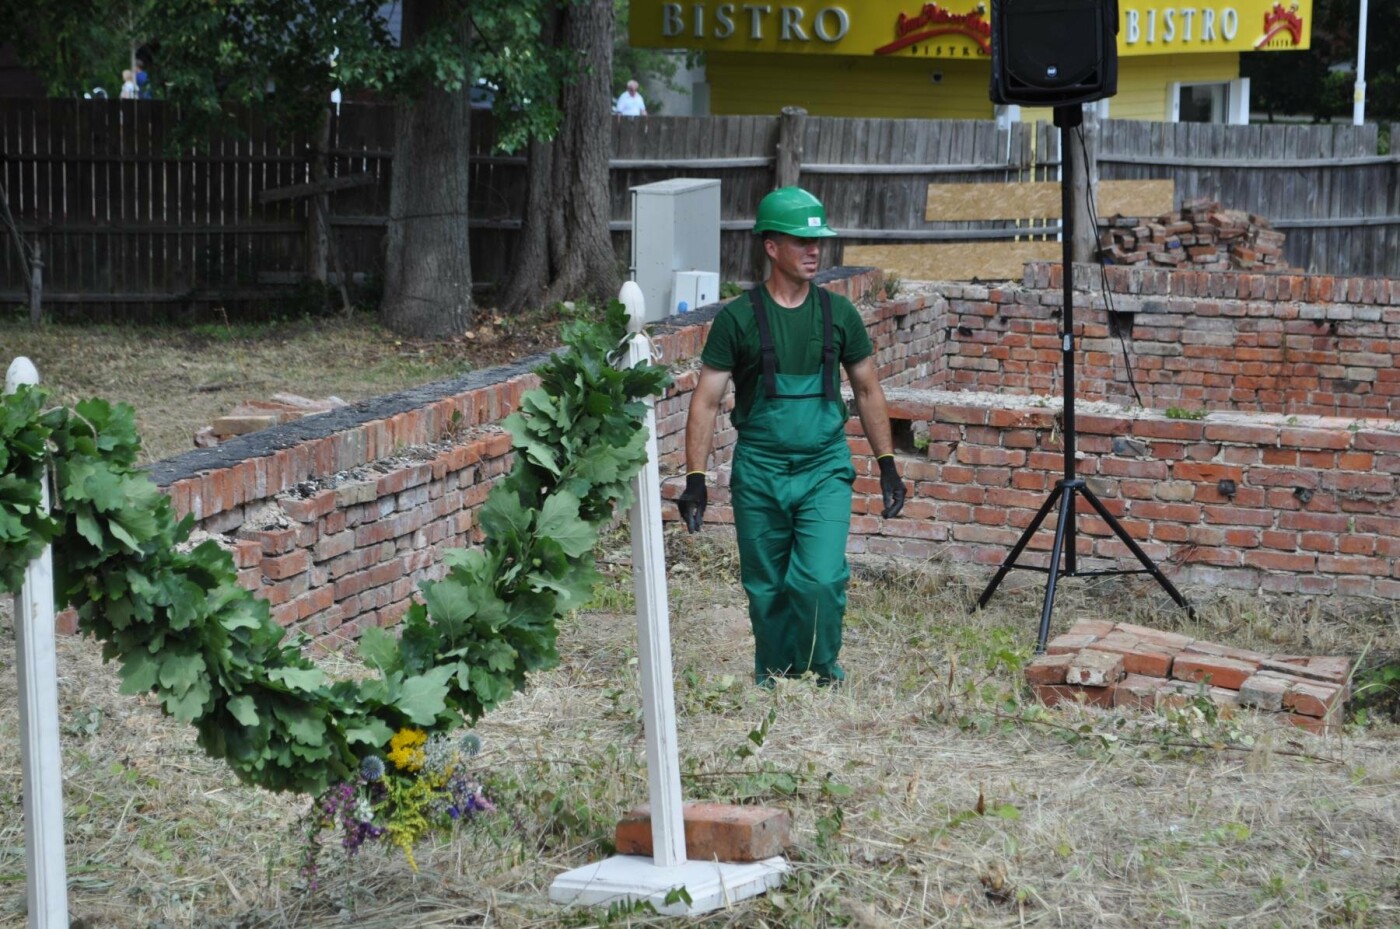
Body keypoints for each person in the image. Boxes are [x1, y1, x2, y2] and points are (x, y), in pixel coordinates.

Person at [676, 186, 906, 687]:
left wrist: (887, 463)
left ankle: (821, 669)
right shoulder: (737, 319)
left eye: (817, 241)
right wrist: (695, 477)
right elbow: (707, 401)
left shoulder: (838, 315)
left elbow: (867, 389)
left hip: (824, 466)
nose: (813, 250)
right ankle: (775, 675)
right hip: (759, 469)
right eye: (801, 240)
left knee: (819, 578)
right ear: (771, 247)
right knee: (767, 586)